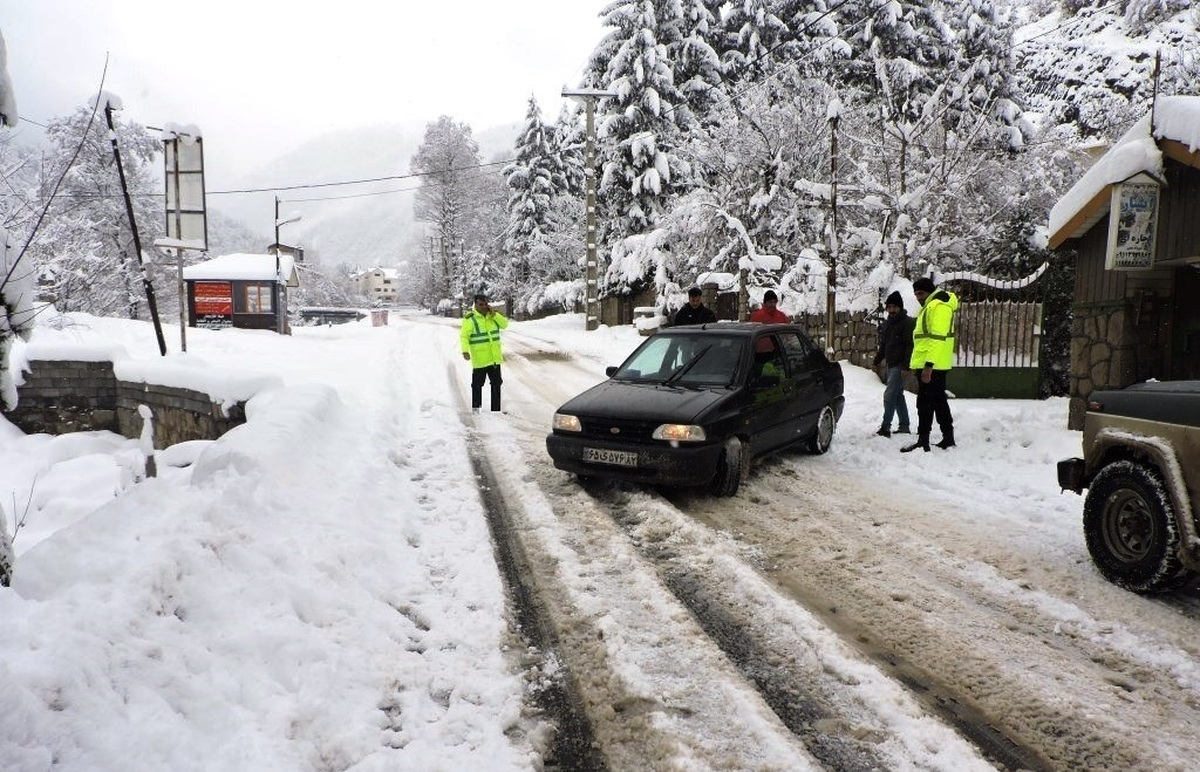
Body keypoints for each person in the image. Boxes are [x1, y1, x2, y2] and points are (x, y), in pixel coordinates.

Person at [901, 277, 959, 453]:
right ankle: (948, 438)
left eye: (921, 293)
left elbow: (937, 338)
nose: (918, 297)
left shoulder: (938, 306)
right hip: (932, 363)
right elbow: (923, 341)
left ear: (929, 291)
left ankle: (923, 441)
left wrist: (928, 366)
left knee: (924, 404)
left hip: (933, 365)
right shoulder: (931, 306)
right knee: (939, 401)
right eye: (916, 294)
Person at [872, 290, 914, 437]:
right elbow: (884, 345)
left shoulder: (907, 323)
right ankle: (904, 425)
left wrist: (906, 366)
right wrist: (877, 360)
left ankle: (885, 427)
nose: (891, 310)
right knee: (897, 396)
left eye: (894, 307)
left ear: (900, 307)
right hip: (891, 364)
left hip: (900, 365)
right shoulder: (887, 324)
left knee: (889, 395)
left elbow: (910, 346)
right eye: (889, 307)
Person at [460, 293, 508, 413]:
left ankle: (496, 410)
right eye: (480, 304)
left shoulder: (493, 316)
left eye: (485, 304)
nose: (483, 307)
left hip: (494, 358)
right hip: (480, 359)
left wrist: (495, 314)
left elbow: (505, 325)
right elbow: (464, 336)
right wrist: (465, 350)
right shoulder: (470, 319)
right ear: (475, 304)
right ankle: (476, 410)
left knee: (496, 384)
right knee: (477, 385)